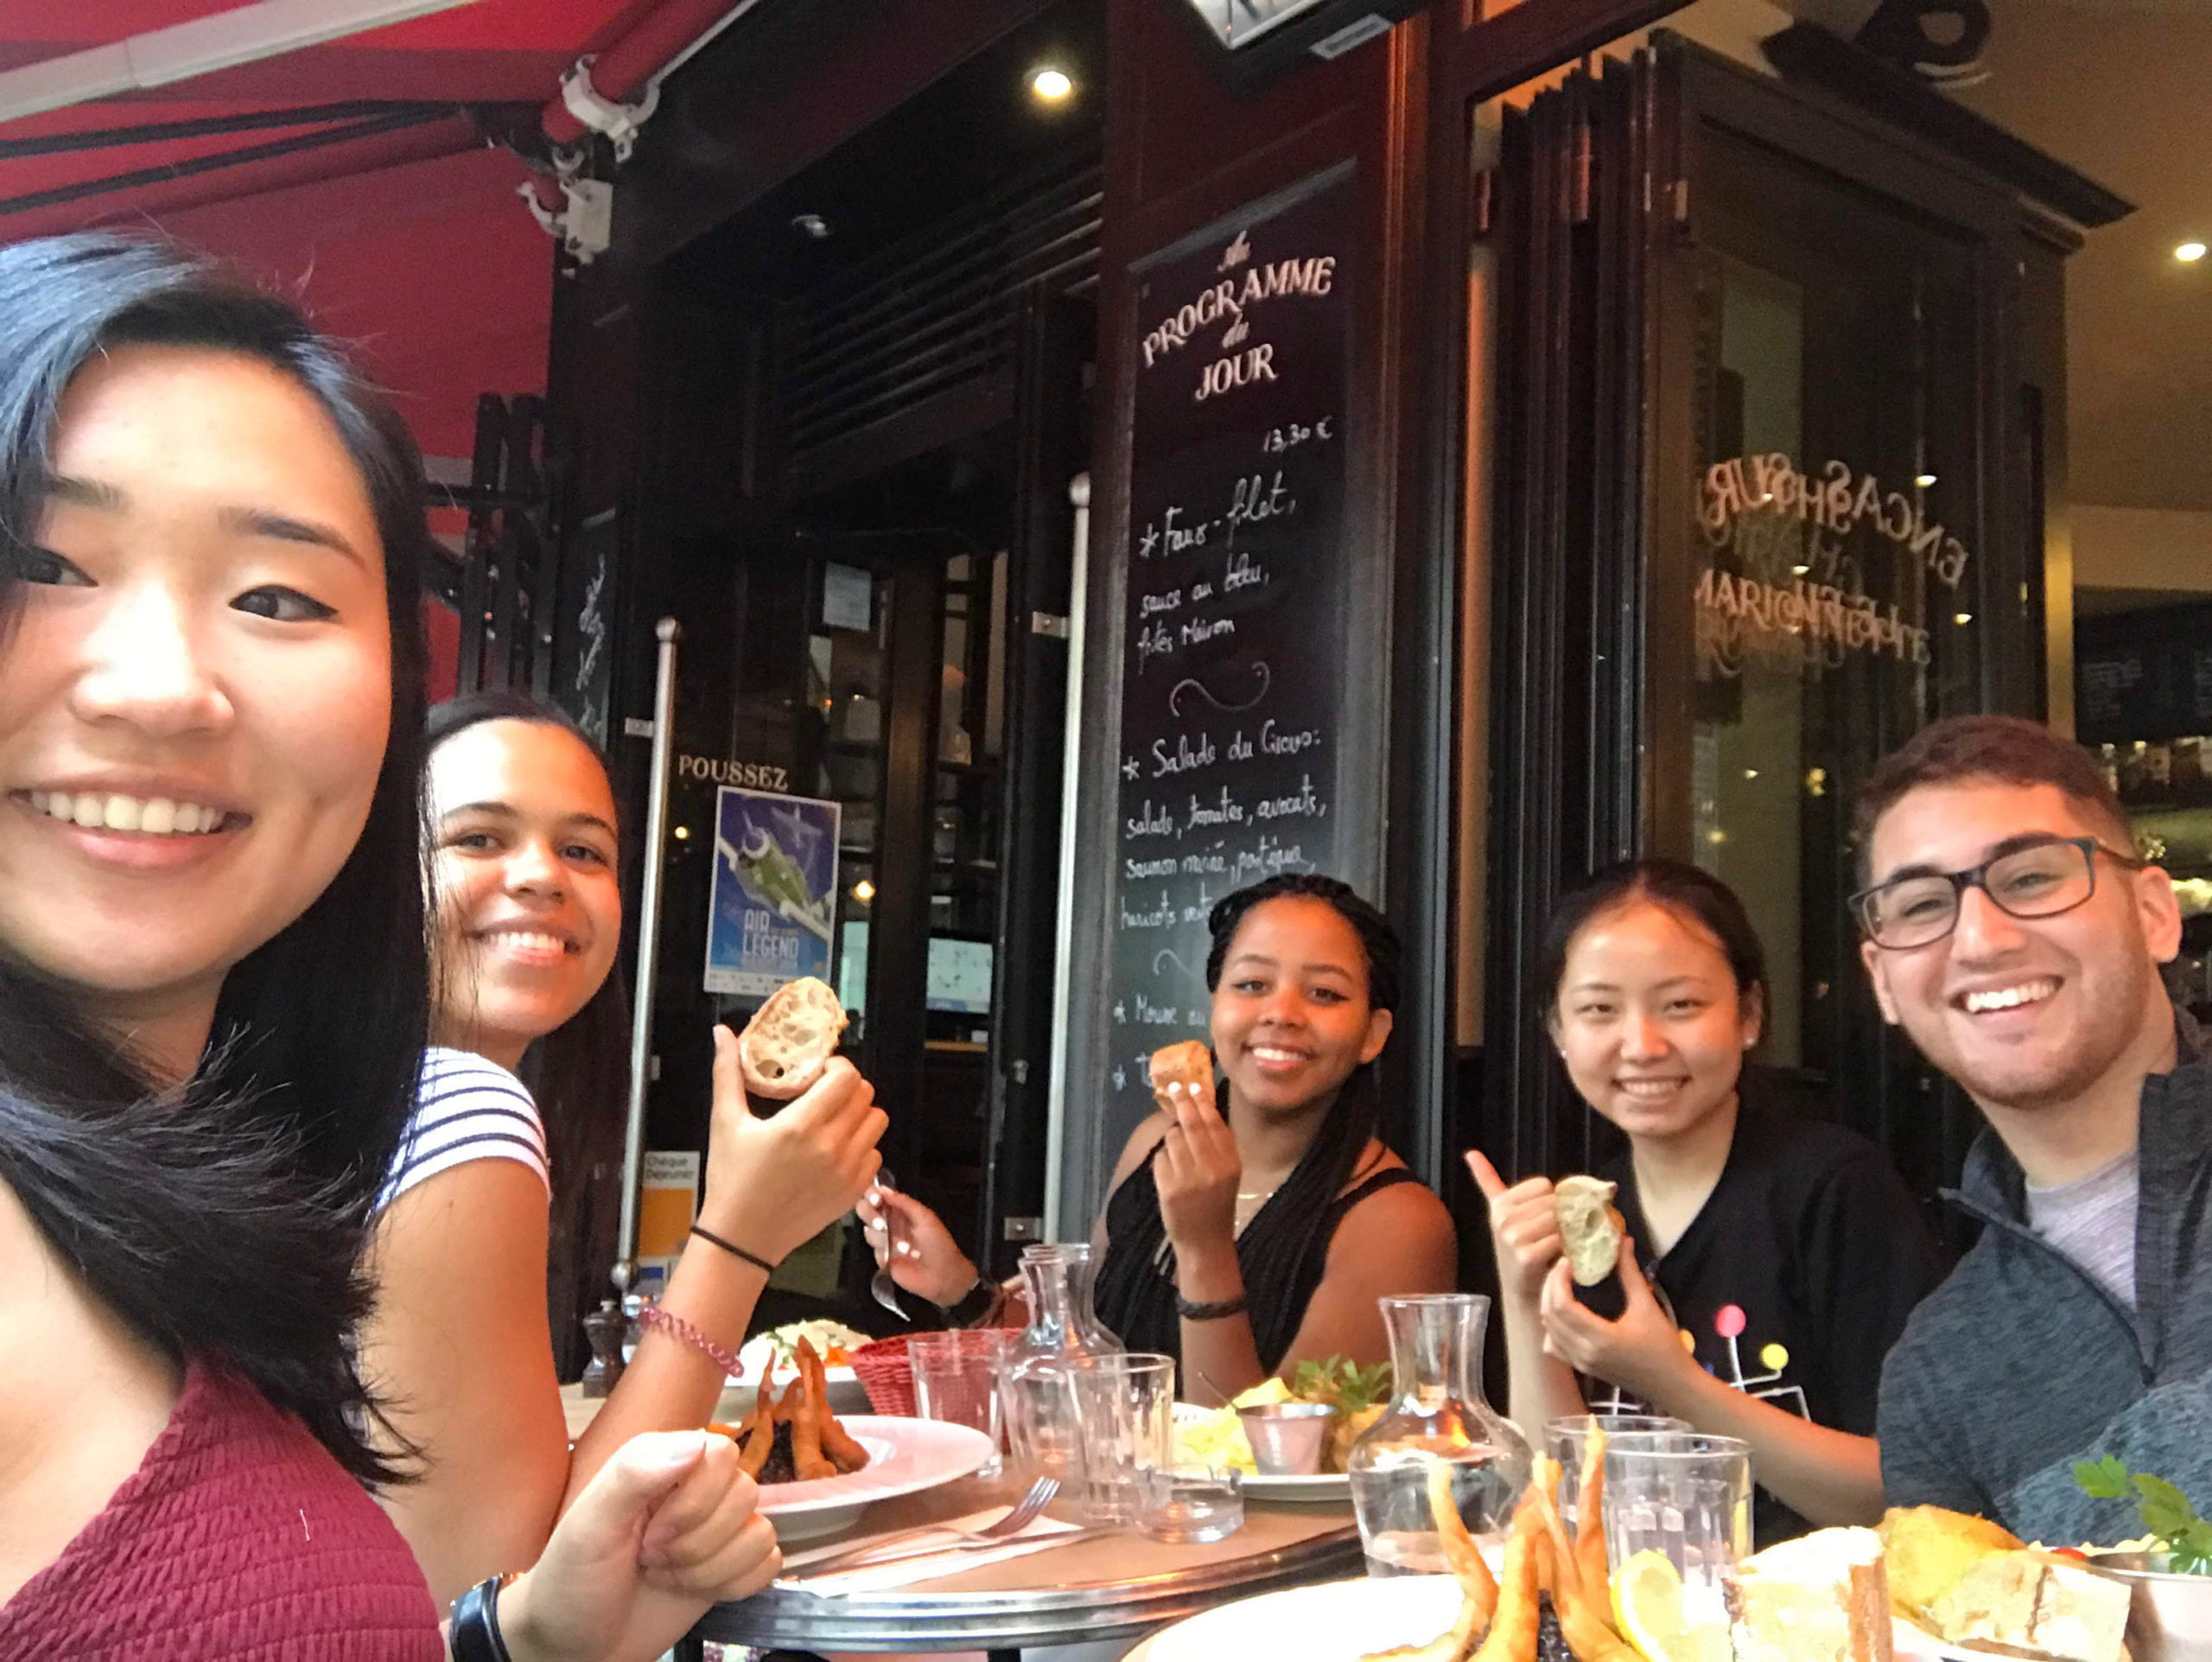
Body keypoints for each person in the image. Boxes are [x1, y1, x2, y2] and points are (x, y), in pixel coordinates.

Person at [0, 231, 774, 1659]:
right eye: (46, 559)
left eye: (278, 596)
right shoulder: (459, 1109)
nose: (164, 686)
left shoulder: (218, 1171)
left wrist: (521, 1642)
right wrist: (738, 1238)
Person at [362, 689, 888, 1602]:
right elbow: (525, 1594)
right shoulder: (456, 1110)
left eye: (582, 851)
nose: (541, 876)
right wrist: (739, 1239)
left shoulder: (362, 1100)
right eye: (478, 838)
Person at [1471, 859, 1944, 1541]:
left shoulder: (1833, 1190)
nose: (1642, 1045)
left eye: (1681, 1005)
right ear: (1557, 1031)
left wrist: (1674, 1381)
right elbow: (1557, 1507)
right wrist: (1524, 1296)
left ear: (1749, 1014)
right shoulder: (1587, 1221)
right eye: (1600, 1009)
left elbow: (1904, 1496)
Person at [859, 874, 1457, 1404]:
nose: (1282, 1012)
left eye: (1324, 993)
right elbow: (1090, 1365)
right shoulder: (1153, 1143)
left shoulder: (1397, 1222)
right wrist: (962, 1288)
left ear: (1373, 1033)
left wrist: (1204, 1251)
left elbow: (1270, 1459)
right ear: (1216, 1004)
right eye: (1251, 984)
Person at [1858, 714, 2212, 1542]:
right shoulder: (1939, 1373)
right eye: (1920, 905)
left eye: (2030, 879)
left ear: (2156, 913)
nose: (1981, 939)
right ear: (1882, 980)